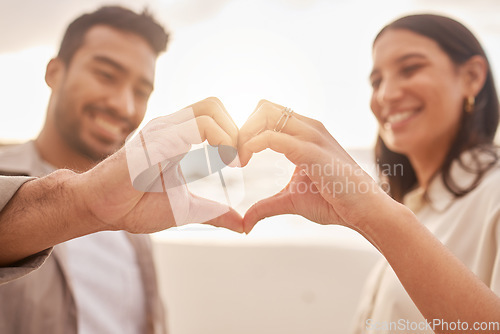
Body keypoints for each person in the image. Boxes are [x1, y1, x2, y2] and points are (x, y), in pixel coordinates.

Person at [237, 14, 500, 334]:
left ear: (472, 77)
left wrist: (375, 213)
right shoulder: (420, 206)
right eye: (377, 81)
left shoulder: (493, 193)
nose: (386, 95)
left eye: (411, 68)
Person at [0, 6, 242, 334]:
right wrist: (85, 203)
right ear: (55, 72)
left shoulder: (137, 213)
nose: (124, 106)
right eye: (106, 75)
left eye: (141, 92)